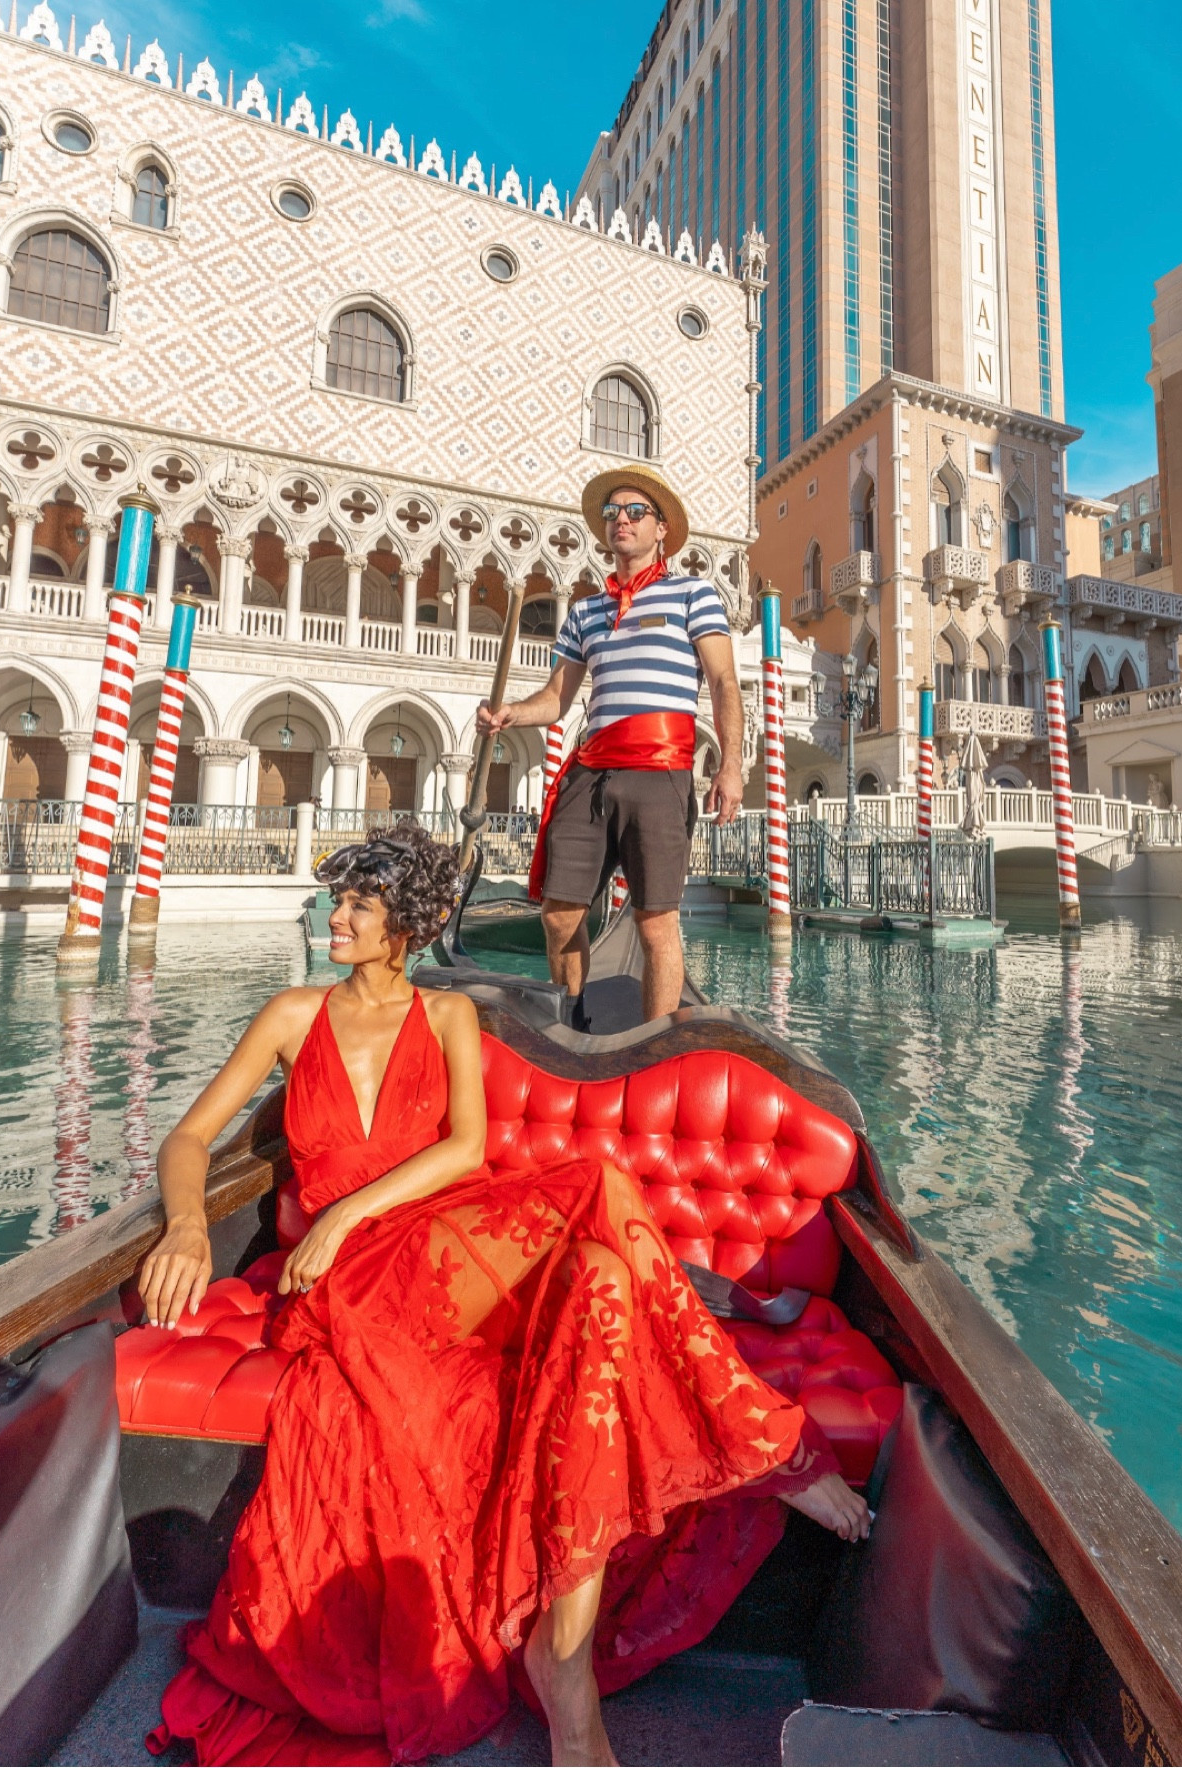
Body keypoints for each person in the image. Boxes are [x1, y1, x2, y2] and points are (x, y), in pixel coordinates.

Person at [137, 821, 867, 1767]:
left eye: (360, 903)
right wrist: (192, 1224)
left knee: (604, 1273)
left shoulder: (446, 1017)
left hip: (425, 1243)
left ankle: (566, 1672)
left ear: (403, 926)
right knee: (602, 1211)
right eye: (340, 900)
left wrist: (341, 1215)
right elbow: (189, 1138)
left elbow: (466, 1152)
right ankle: (765, 1449)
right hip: (348, 1285)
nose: (339, 915)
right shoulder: (290, 1013)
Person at [477, 466, 744, 1021]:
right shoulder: (585, 612)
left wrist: (731, 767)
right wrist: (512, 714)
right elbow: (557, 696)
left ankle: (654, 1042)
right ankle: (574, 1018)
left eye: (634, 512)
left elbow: (722, 682)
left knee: (655, 921)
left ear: (661, 529)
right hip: (591, 773)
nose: (620, 520)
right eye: (611, 513)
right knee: (558, 915)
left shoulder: (694, 594)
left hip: (660, 772)